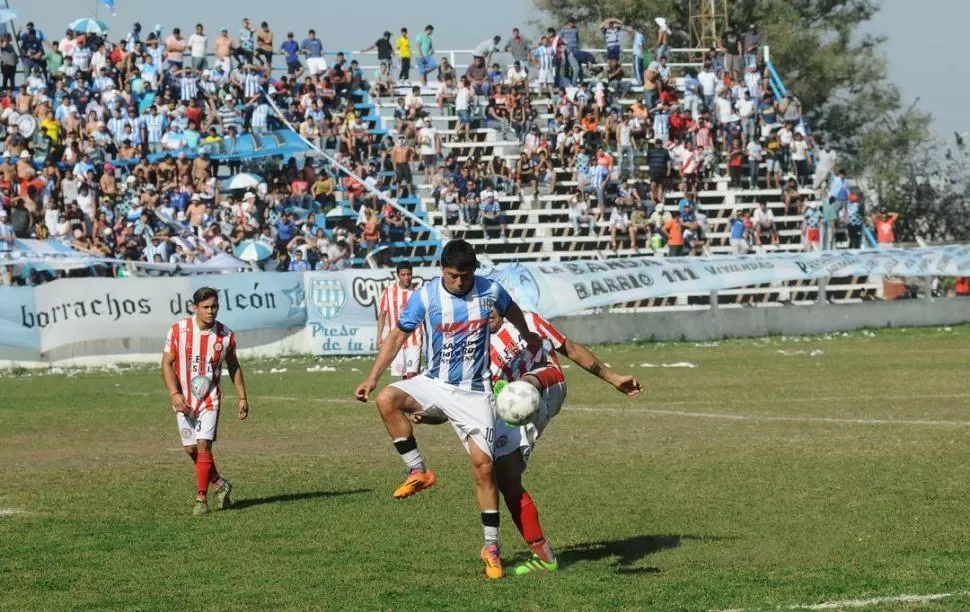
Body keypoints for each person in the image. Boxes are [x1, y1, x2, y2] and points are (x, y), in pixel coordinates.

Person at [354, 239, 542, 580]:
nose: (460, 281)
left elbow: (512, 309)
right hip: (435, 383)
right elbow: (396, 337)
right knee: (386, 399)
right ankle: (418, 471)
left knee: (485, 470)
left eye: (466, 275)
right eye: (454, 275)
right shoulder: (426, 296)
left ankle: (492, 548)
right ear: (443, 269)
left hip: (475, 393)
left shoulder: (489, 291)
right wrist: (372, 377)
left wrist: (527, 333)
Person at [411, 307, 643, 575]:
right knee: (505, 477)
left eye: (492, 307)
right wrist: (427, 416)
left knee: (524, 385)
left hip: (547, 382)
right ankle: (544, 557)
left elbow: (570, 348)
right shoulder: (473, 354)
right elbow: (456, 405)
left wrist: (613, 378)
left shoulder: (528, 321)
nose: (489, 314)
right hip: (513, 408)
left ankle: (525, 388)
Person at [160, 287, 250, 516]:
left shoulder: (226, 335)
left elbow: (233, 365)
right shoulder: (179, 330)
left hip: (210, 399)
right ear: (195, 308)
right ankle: (219, 483)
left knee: (203, 446)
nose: (211, 311)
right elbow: (166, 364)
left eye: (215, 307)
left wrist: (242, 396)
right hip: (183, 400)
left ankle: (201, 498)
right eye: (206, 307)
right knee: (191, 449)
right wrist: (175, 394)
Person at [376, 261, 423, 378]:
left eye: (409, 274)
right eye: (403, 275)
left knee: (412, 375)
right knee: (402, 375)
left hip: (414, 338)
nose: (406, 277)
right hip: (396, 340)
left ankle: (414, 395)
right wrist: (379, 337)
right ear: (398, 275)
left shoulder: (419, 291)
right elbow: (382, 314)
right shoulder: (389, 291)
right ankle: (406, 396)